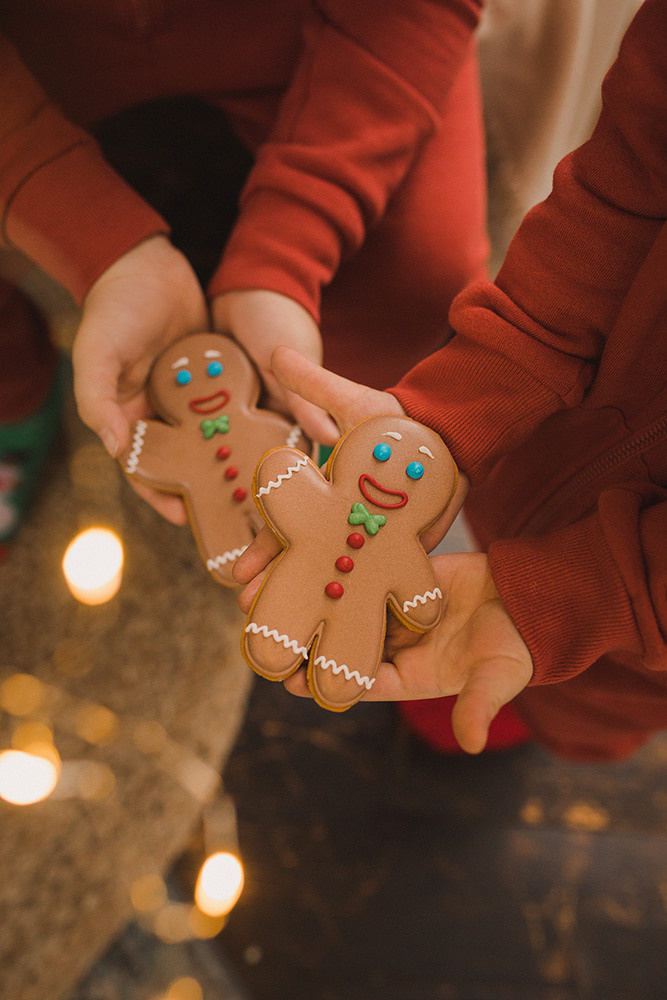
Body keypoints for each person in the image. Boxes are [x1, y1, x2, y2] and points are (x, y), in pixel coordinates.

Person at [234, 0, 667, 763]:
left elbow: (419, 590)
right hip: (569, 431)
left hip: (642, 632)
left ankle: (554, 724)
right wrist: (454, 411)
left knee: (586, 694)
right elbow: (624, 188)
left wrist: (585, 594)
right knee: (497, 534)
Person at [0, 0, 488, 558]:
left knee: (418, 283)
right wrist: (95, 242)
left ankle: (334, 431)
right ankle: (16, 393)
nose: (203, 383)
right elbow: (153, 452)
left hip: (341, 54)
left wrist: (284, 254)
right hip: (37, 77)